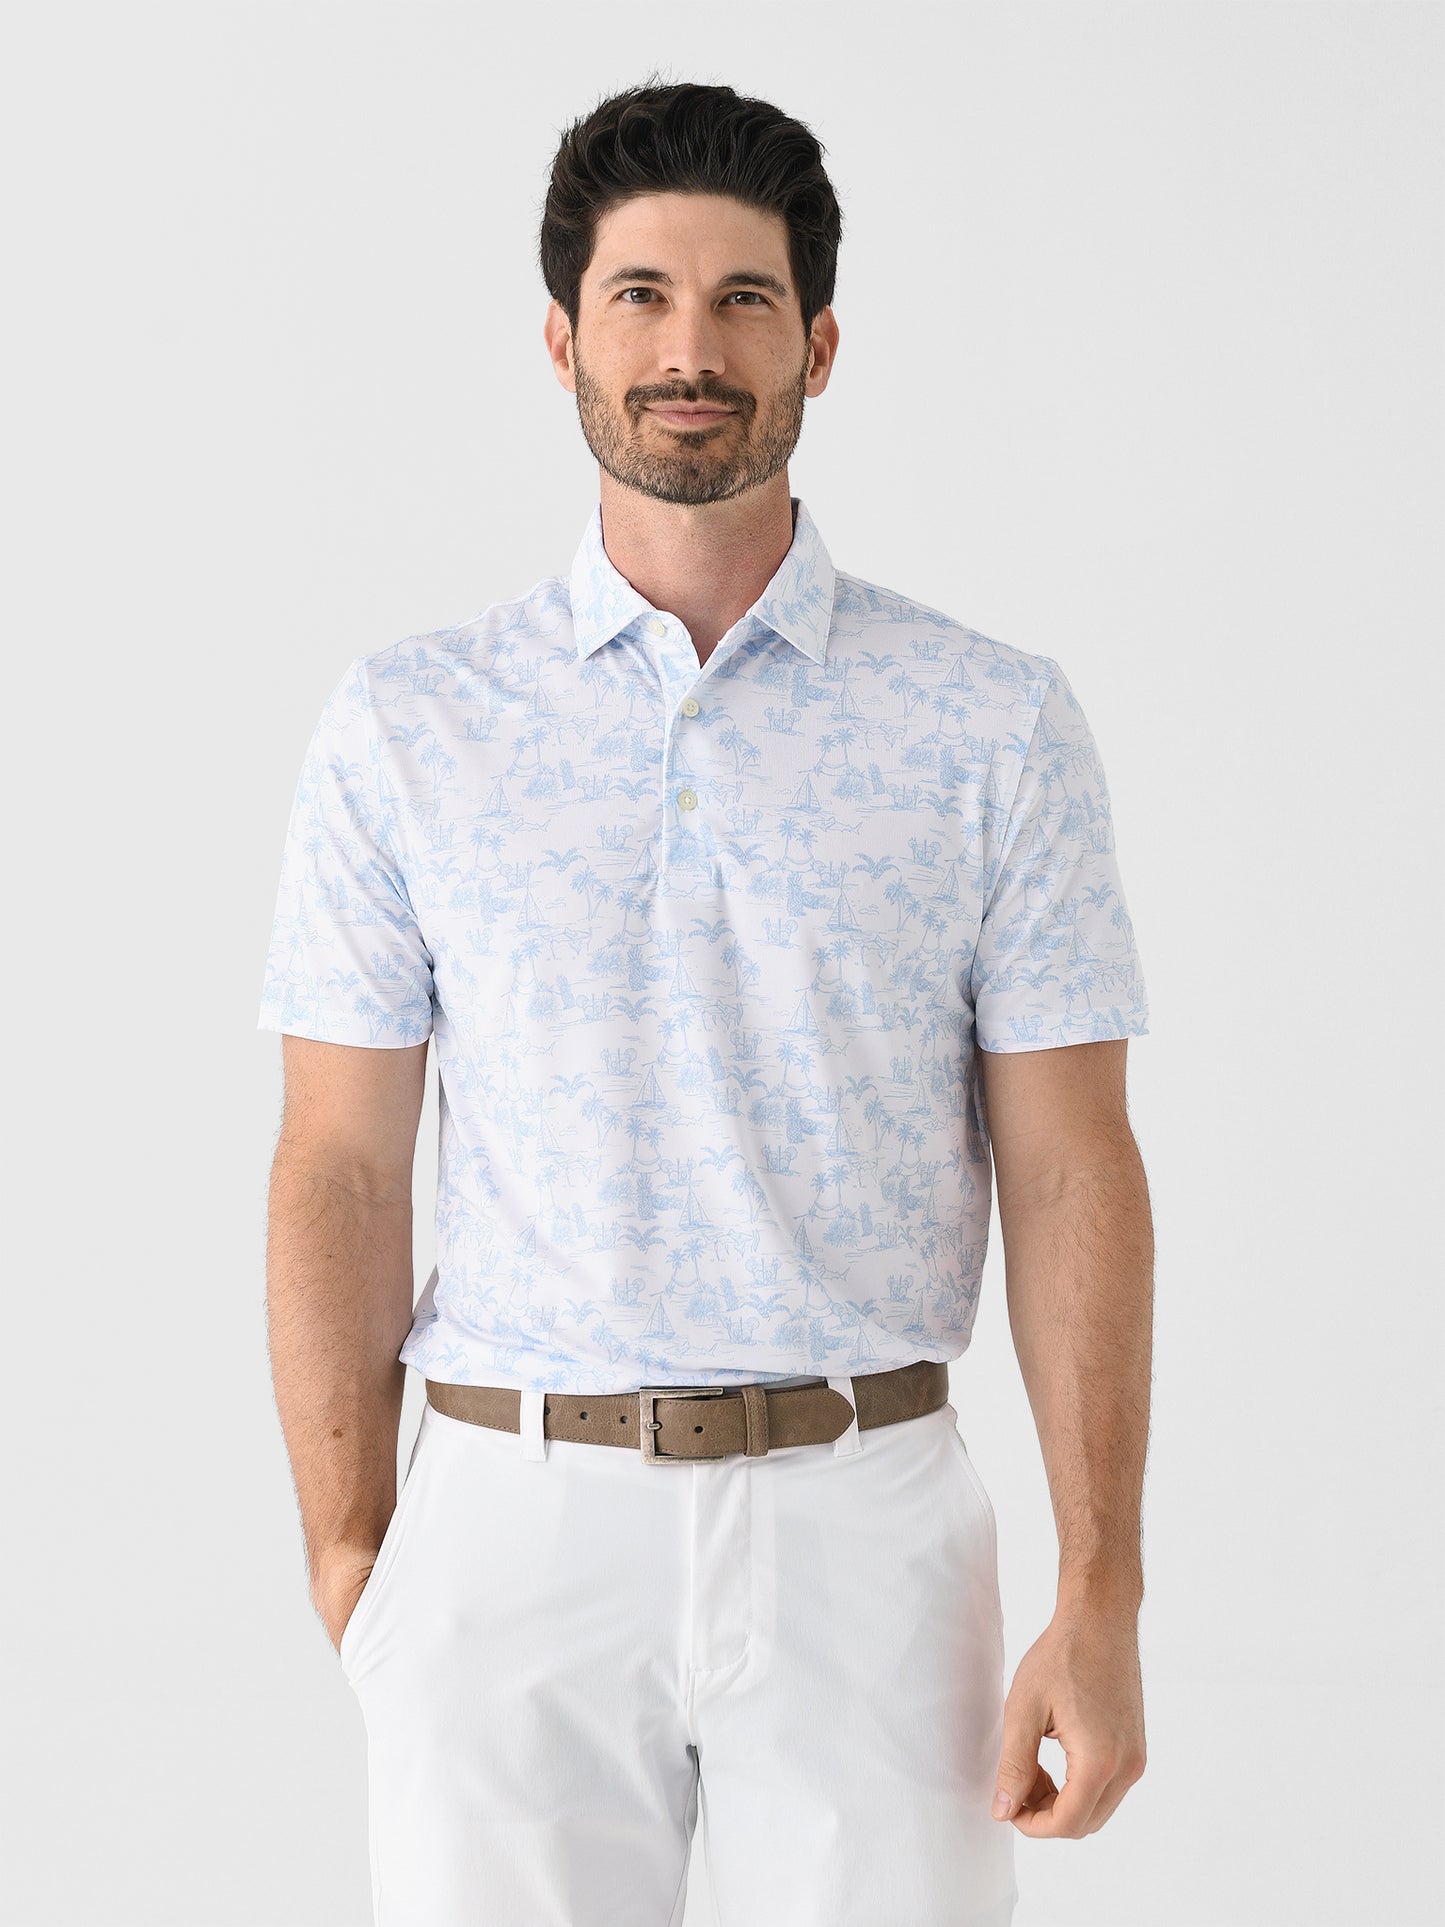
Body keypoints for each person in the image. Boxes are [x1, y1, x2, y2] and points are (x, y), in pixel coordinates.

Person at [258, 76, 1153, 1927]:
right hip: (508, 1519)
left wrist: (1101, 1588)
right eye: (641, 297)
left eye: (744, 298)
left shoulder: (987, 722)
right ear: (563, 343)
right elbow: (337, 1159)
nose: (690, 348)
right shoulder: (411, 725)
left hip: (866, 1520)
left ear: (817, 345)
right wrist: (354, 1550)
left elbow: (1073, 1164)